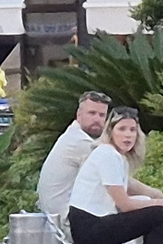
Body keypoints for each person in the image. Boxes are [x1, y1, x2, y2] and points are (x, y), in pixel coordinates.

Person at [67, 108, 163, 244]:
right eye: (122, 129)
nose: (128, 135)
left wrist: (156, 200)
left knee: (155, 210)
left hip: (99, 221)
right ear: (111, 132)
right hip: (89, 227)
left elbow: (126, 193)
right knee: (160, 215)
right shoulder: (107, 154)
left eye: (132, 130)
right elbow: (124, 205)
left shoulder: (118, 157)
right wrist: (160, 203)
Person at [36, 91, 111, 219]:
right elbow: (115, 181)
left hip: (58, 216)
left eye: (102, 115)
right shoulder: (80, 142)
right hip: (64, 221)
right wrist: (155, 194)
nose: (97, 119)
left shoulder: (74, 135)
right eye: (92, 113)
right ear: (79, 115)